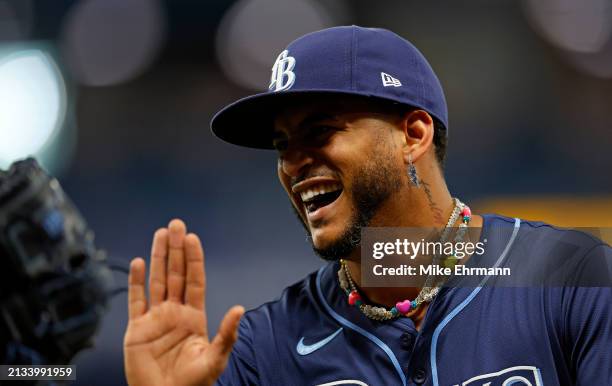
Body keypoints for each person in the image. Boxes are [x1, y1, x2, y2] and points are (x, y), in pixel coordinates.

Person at [123, 26, 612, 386]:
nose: (293, 163)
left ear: (413, 135)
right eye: (281, 145)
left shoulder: (567, 277)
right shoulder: (264, 346)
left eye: (320, 132)